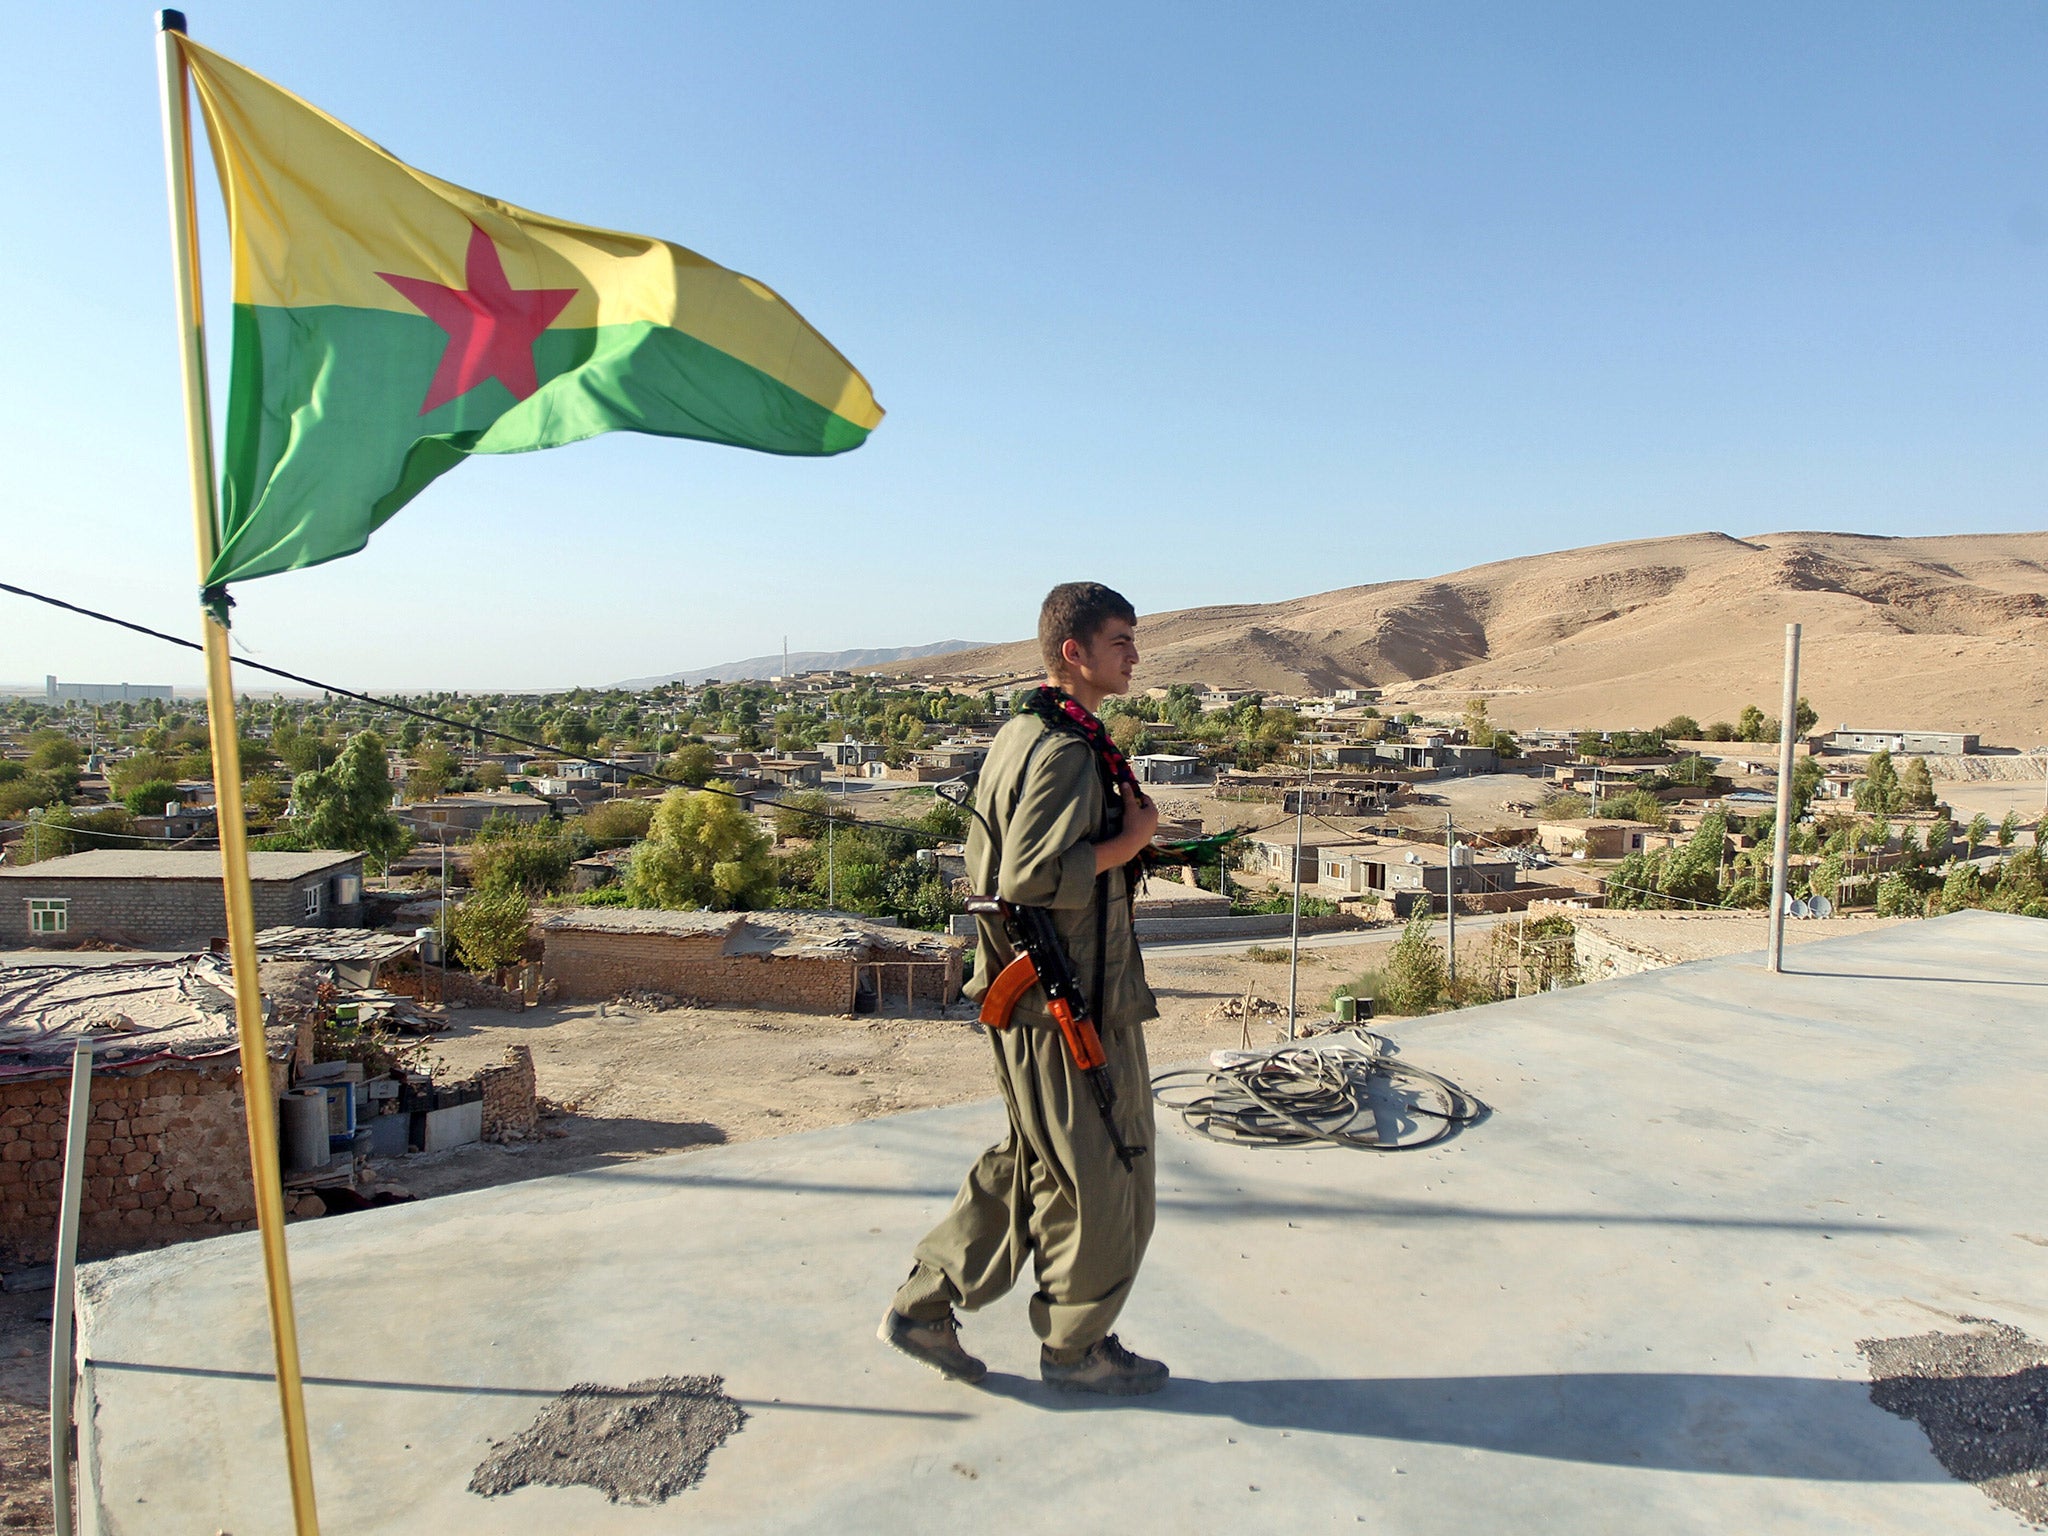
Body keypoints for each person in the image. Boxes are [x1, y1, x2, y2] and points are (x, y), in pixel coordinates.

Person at [878, 581, 1169, 1395]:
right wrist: (1134, 839)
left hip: (1042, 995)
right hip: (1068, 1002)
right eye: (1121, 640)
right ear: (1074, 653)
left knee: (1039, 1157)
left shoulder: (1026, 731)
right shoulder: (1067, 751)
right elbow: (1033, 877)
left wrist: (1125, 848)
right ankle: (1077, 1351)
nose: (1135, 654)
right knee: (1106, 1176)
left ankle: (926, 1306)